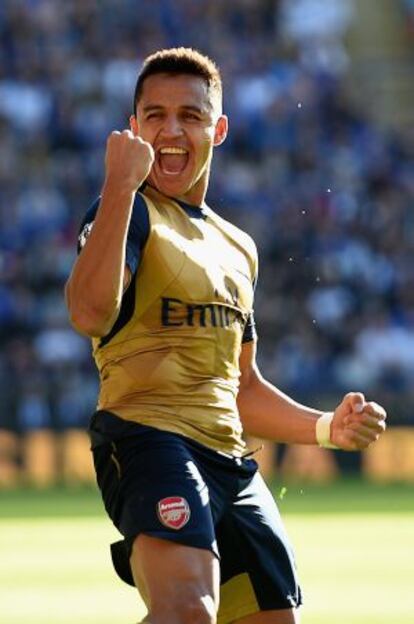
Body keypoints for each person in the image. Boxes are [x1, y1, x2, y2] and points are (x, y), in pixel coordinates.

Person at [65, 47, 387, 624]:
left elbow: (241, 387)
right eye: (155, 115)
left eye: (189, 115)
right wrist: (117, 187)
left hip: (230, 460)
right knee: (188, 611)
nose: (171, 130)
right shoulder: (129, 211)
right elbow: (88, 313)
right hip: (146, 438)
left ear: (219, 129)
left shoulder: (239, 247)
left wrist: (326, 429)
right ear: (133, 128)